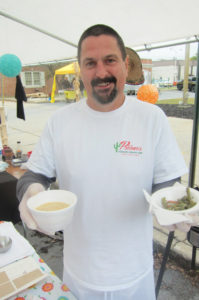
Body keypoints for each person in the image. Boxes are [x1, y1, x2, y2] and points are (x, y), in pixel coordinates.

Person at [17, 24, 189, 300]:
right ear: (80, 70)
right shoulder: (59, 122)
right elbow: (33, 175)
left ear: (125, 63)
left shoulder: (151, 118)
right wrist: (31, 193)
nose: (101, 72)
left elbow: (167, 180)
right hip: (79, 274)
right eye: (90, 63)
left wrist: (169, 205)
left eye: (110, 60)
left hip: (136, 273)